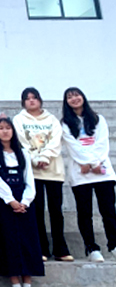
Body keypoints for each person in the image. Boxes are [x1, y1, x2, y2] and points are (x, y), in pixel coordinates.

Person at [13, 87, 72, 262]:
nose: (31, 101)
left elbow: (55, 140)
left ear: (40, 100)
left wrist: (45, 157)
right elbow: (21, 141)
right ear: (23, 102)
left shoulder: (52, 119)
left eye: (34, 97)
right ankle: (41, 248)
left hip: (53, 171)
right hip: (33, 172)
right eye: (27, 98)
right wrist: (34, 158)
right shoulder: (18, 119)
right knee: (37, 211)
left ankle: (60, 249)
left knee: (56, 211)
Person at [0, 118, 44, 286]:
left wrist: (25, 201)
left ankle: (27, 281)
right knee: (8, 239)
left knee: (28, 239)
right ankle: (14, 281)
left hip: (24, 200)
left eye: (8, 128)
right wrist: (10, 200)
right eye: (1, 128)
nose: (5, 131)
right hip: (4, 201)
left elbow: (29, 178)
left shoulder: (23, 152)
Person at [61, 87, 116, 262]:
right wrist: (89, 163)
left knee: (108, 211)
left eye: (76, 95)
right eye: (69, 97)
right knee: (84, 213)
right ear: (66, 102)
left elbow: (102, 143)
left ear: (83, 97)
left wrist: (93, 164)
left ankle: (114, 245)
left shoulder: (98, 119)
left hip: (102, 171)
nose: (74, 99)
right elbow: (73, 146)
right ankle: (91, 248)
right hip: (80, 173)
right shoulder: (65, 124)